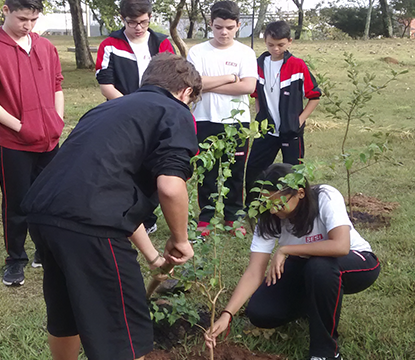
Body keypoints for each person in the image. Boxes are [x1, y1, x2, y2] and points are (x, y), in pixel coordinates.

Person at [21, 53, 201, 360]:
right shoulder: (174, 111)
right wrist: (181, 239)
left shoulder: (108, 109)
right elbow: (171, 187)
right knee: (123, 336)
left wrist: (153, 256)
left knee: (66, 314)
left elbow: (109, 192)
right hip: (91, 228)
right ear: (186, 92)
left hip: (45, 215)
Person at [204, 163, 381, 360]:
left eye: (279, 204)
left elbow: (341, 246)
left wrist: (286, 250)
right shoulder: (268, 217)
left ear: (300, 193)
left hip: (357, 262)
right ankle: (315, 304)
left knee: (320, 267)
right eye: (267, 204)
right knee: (261, 312)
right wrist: (227, 315)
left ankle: (325, 352)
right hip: (306, 266)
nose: (272, 211)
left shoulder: (325, 196)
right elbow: (254, 272)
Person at [0, 0, 64, 286]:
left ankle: (44, 251)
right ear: (5, 10)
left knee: (49, 199)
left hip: (50, 140)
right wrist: (21, 127)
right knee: (17, 202)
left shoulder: (45, 47)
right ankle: (15, 259)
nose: (28, 26)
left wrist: (57, 120)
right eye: (22, 18)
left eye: (33, 20)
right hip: (13, 142)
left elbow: (57, 86)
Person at [95, 0, 176, 234]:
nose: (138, 27)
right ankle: (124, 213)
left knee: (151, 167)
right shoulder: (110, 45)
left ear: (149, 18)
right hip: (121, 115)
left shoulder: (162, 43)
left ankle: (147, 217)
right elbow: (106, 85)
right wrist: (130, 108)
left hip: (156, 115)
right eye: (132, 23)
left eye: (143, 22)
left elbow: (171, 80)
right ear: (122, 19)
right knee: (124, 165)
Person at [187, 0, 258, 236]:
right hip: (204, 119)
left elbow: (248, 86)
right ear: (211, 24)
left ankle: (233, 217)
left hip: (237, 122)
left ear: (238, 25)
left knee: (235, 171)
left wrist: (209, 84)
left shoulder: (245, 53)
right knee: (206, 171)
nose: (223, 32)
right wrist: (230, 77)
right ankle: (206, 218)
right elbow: (194, 83)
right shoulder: (197, 52)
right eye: (218, 27)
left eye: (229, 27)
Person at [245, 21, 322, 187]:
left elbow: (314, 96)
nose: (275, 49)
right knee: (254, 171)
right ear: (265, 41)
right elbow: (256, 94)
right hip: (266, 131)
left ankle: (294, 204)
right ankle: (253, 204)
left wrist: (299, 121)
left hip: (291, 131)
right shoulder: (258, 65)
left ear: (289, 41)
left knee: (293, 175)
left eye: (280, 45)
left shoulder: (297, 66)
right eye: (271, 45)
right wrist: (260, 115)